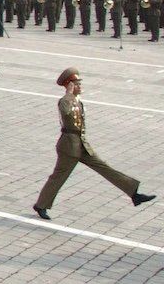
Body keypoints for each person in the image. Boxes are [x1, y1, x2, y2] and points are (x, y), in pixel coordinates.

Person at [33, 67, 155, 220]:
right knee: (59, 177)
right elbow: (65, 112)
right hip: (69, 147)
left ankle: (134, 193)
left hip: (81, 145)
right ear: (69, 85)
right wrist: (69, 93)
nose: (80, 86)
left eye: (79, 83)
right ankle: (41, 205)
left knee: (105, 167)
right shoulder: (65, 100)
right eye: (76, 84)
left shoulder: (77, 101)